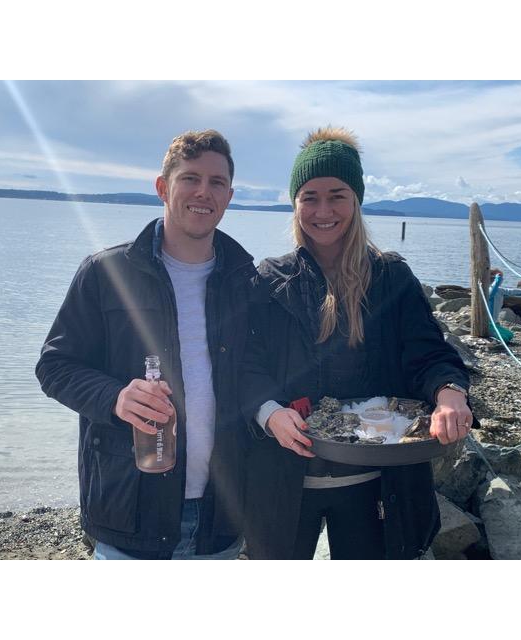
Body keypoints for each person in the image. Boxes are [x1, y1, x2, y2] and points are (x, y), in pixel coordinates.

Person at [241, 126, 473, 560]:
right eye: (310, 196)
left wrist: (449, 394)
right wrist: (270, 413)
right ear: (295, 203)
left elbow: (429, 354)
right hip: (285, 479)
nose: (323, 210)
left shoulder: (392, 278)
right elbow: (247, 365)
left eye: (337, 195)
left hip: (377, 482)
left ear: (357, 200)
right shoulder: (270, 279)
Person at [36, 130, 257, 559]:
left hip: (220, 518)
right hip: (129, 510)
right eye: (190, 178)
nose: (203, 192)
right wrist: (115, 397)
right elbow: (55, 366)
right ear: (162, 187)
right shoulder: (106, 273)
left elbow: (260, 375)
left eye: (216, 183)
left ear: (229, 196)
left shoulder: (247, 280)